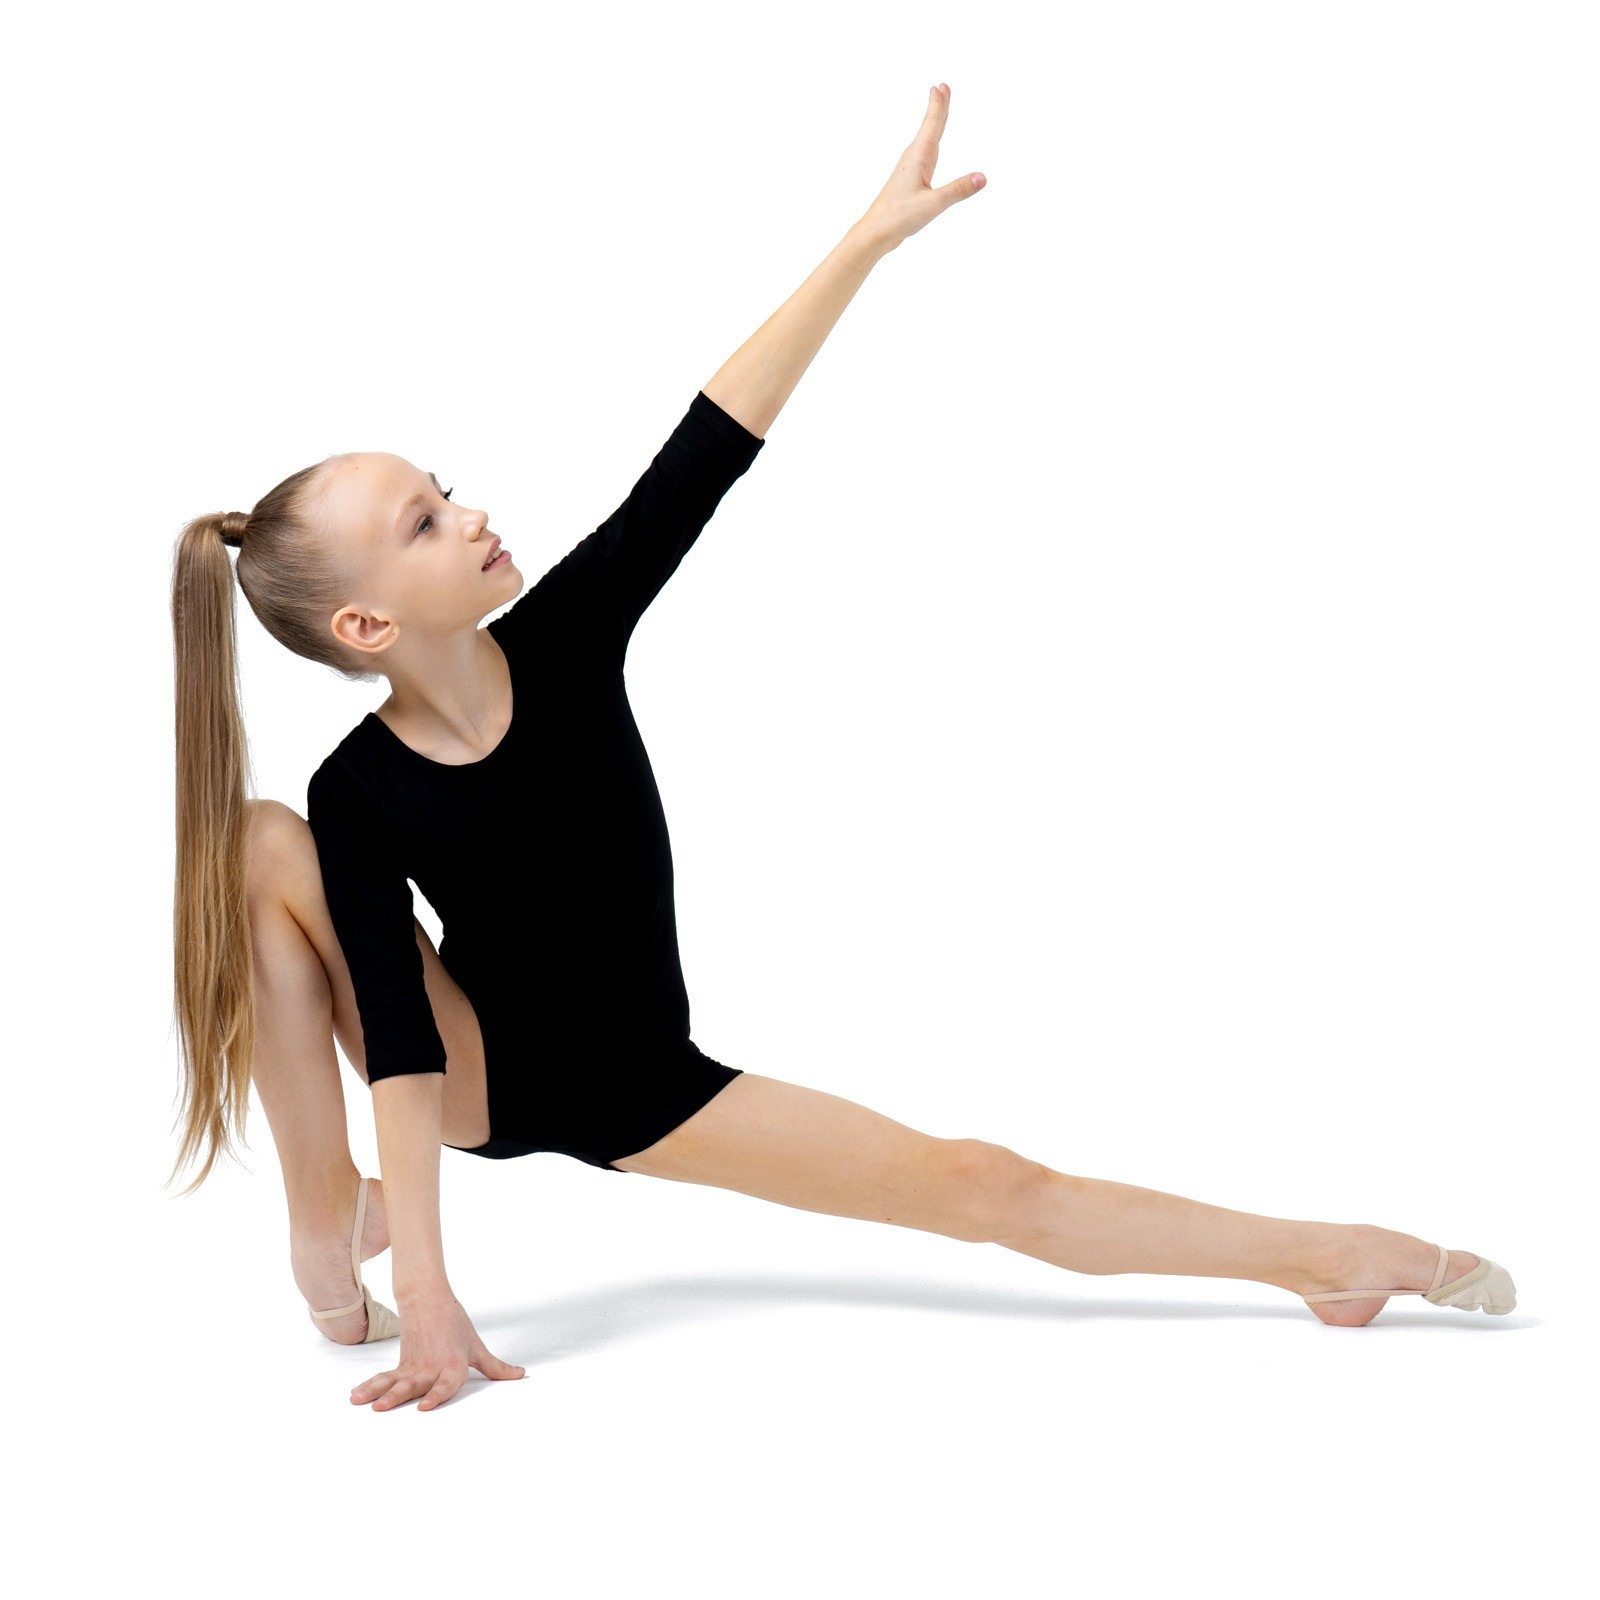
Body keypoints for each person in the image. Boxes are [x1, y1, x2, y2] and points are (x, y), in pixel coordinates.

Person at [167, 85, 1515, 1414]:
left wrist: (865, 242)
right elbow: (401, 1044)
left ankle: (1325, 1260)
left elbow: (705, 450)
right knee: (264, 842)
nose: (468, 517)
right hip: (477, 1076)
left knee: (987, 1182)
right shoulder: (362, 792)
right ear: (366, 625)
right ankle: (325, 1224)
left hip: (644, 1085)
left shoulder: (568, 635)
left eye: (446, 491)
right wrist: (434, 1284)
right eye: (423, 524)